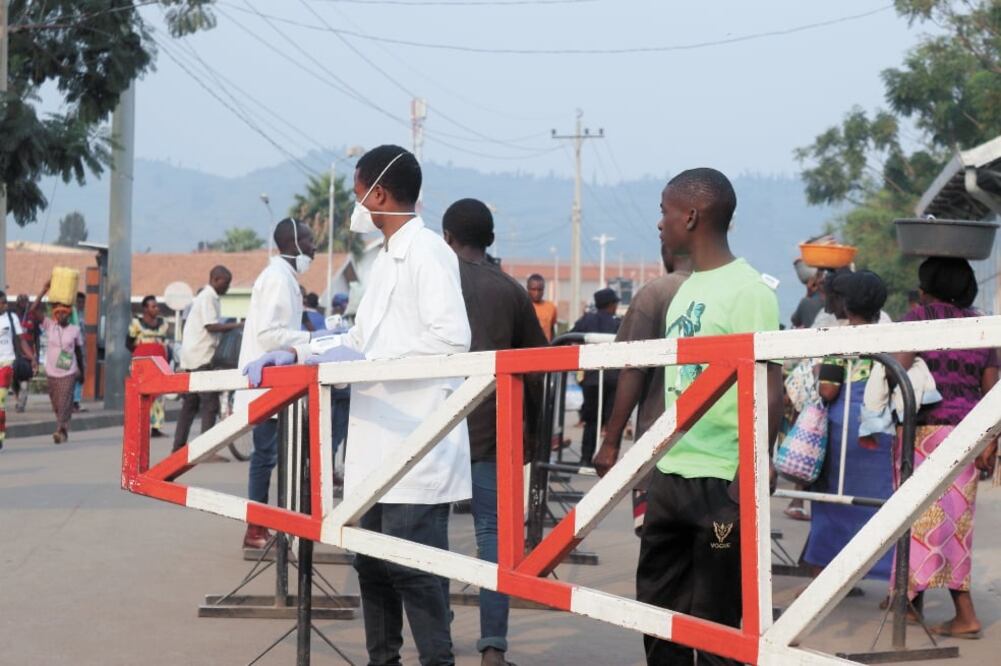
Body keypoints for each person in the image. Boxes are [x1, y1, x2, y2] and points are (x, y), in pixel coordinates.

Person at [243, 145, 471, 666]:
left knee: (413, 568)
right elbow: (357, 335)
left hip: (417, 443)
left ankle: (438, 660)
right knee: (370, 563)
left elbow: (451, 344)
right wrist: (296, 350)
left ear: (379, 194)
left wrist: (370, 359)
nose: (356, 204)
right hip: (374, 444)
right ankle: (381, 660)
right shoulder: (383, 259)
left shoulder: (428, 252)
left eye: (357, 193)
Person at [637, 168, 782, 665]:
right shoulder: (685, 289)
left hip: (721, 477)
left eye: (665, 211)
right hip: (672, 471)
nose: (660, 223)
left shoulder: (750, 291)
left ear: (692, 216)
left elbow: (769, 386)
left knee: (716, 617)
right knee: (658, 609)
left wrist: (754, 465)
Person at [442, 197, 548, 666]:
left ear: (447, 238)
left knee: (428, 535)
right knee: (492, 538)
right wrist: (535, 435)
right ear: (490, 240)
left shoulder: (434, 283)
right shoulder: (510, 292)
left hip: (434, 433)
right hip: (493, 432)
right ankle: (492, 648)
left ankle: (436, 637)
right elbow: (539, 367)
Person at [892, 257, 998, 640]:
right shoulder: (979, 326)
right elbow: (992, 392)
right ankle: (910, 602)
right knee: (955, 525)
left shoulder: (916, 319)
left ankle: (961, 613)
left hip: (924, 434)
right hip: (968, 434)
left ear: (927, 286)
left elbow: (898, 373)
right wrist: (991, 441)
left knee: (914, 519)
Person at [592, 244, 691, 536]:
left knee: (658, 558)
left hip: (658, 450)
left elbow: (632, 369)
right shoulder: (736, 292)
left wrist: (611, 443)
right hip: (718, 457)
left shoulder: (656, 293)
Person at [803, 271, 894, 579]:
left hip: (843, 430)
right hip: (880, 428)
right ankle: (888, 576)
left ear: (847, 303)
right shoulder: (891, 337)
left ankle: (823, 579)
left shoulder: (840, 339)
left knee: (832, 503)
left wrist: (819, 371)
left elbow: (828, 390)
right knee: (881, 503)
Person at [236, 217, 319, 549]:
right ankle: (256, 529)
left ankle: (283, 523)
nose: (314, 248)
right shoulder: (277, 279)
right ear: (294, 242)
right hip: (268, 382)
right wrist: (313, 338)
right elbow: (269, 335)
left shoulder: (285, 277)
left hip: (280, 384)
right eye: (310, 241)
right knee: (266, 456)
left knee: (280, 455)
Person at [172, 266, 241, 453]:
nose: (227, 288)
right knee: (210, 403)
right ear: (216, 279)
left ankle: (178, 447)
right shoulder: (208, 297)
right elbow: (211, 326)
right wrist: (239, 324)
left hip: (193, 356)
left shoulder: (205, 297)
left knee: (190, 404)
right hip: (201, 356)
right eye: (225, 284)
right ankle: (207, 450)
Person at [29, 282, 84, 444]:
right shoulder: (50, 325)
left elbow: (79, 353)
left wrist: (82, 370)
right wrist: (44, 290)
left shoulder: (74, 330)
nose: (61, 316)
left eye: (64, 314)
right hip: (52, 371)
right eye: (58, 313)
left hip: (69, 371)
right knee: (56, 405)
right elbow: (33, 311)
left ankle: (59, 430)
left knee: (65, 402)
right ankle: (64, 429)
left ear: (69, 314)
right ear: (54, 314)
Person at [570, 288, 621, 466]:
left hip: (591, 379)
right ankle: (608, 461)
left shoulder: (587, 320)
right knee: (613, 421)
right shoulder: (617, 323)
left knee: (591, 421)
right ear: (610, 305)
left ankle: (585, 459)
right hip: (613, 378)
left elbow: (569, 337)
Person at [128, 295, 171, 437]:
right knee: (142, 394)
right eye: (153, 306)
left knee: (158, 396)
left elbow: (166, 344)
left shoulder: (163, 324)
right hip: (142, 364)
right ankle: (140, 426)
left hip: (159, 363)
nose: (156, 309)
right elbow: (128, 343)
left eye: (157, 306)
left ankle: (156, 427)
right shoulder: (136, 323)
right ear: (145, 309)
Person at [0, 291, 37, 450]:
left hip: (7, 363)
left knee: (0, 400)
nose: (5, 305)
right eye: (2, 302)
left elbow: (21, 340)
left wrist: (32, 357)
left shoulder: (11, 318)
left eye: (5, 302)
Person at [527, 274, 557, 341]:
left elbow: (551, 330)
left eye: (540, 290)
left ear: (543, 290)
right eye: (533, 289)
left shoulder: (551, 307)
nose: (537, 293)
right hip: (527, 348)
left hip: (545, 348)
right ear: (528, 289)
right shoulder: (523, 307)